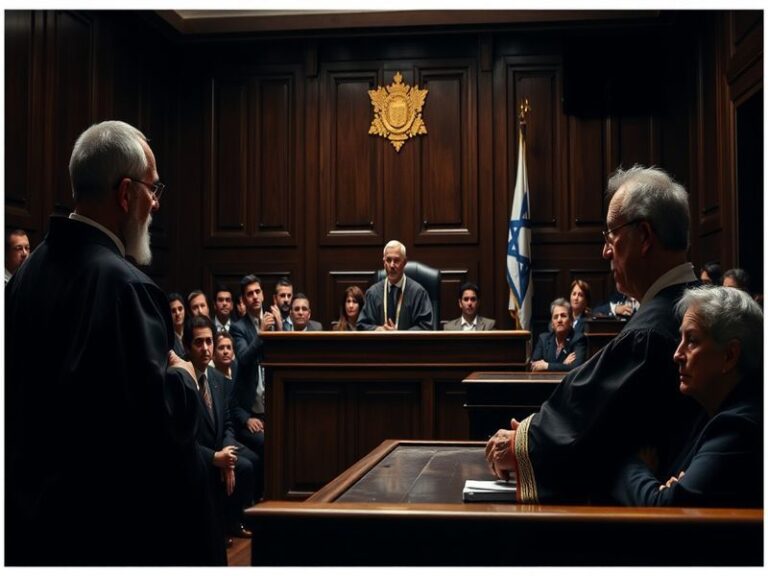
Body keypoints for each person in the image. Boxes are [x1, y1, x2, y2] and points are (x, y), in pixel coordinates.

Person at [6, 120, 223, 565]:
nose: (156, 204)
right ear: (125, 194)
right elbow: (155, 429)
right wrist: (182, 378)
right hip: (115, 535)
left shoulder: (25, 277)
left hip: (37, 527)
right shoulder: (127, 287)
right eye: (152, 188)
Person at [485, 165, 703, 504]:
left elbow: (595, 416)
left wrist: (521, 445)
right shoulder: (696, 303)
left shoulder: (654, 329)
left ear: (644, 237)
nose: (605, 251)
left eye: (611, 236)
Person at [612, 286, 762, 507]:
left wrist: (630, 464)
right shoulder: (706, 406)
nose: (677, 354)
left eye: (691, 340)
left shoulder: (739, 426)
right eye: (680, 338)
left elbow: (666, 506)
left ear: (729, 356)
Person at [184, 316, 256, 542]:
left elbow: (226, 423)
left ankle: (230, 523)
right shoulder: (181, 380)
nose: (206, 348)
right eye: (199, 342)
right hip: (196, 457)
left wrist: (228, 456)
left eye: (209, 342)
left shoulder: (216, 377)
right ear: (187, 346)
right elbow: (183, 438)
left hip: (220, 450)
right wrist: (215, 458)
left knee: (245, 466)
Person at [229, 274, 273, 457]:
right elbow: (244, 358)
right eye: (250, 294)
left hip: (274, 406)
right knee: (266, 443)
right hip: (252, 412)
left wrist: (277, 328)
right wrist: (261, 333)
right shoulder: (238, 327)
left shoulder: (274, 320)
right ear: (244, 300)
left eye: (257, 292)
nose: (255, 296)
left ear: (263, 294)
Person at [357, 240, 434, 331]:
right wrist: (377, 329)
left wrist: (399, 335)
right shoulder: (373, 293)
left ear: (405, 262)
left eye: (396, 260)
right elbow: (361, 325)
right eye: (388, 260)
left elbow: (426, 326)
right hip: (379, 344)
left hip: (408, 345)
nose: (392, 265)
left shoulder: (418, 293)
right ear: (384, 262)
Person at [530, 298, 586, 372]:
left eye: (563, 316)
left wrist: (547, 366)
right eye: (555, 317)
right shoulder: (543, 339)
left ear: (571, 321)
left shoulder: (578, 339)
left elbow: (576, 368)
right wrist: (563, 364)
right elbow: (534, 366)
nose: (559, 320)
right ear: (552, 323)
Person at [169, 291, 187, 357]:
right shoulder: (168, 338)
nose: (177, 313)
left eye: (180, 309)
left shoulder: (190, 331)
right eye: (173, 311)